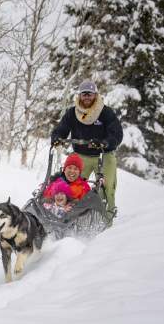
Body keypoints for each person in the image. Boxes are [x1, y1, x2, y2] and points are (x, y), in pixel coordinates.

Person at [51, 79, 123, 226]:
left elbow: (116, 133)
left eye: (90, 94)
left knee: (107, 185)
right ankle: (71, 218)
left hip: (104, 154)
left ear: (95, 95)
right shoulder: (73, 113)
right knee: (72, 185)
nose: (87, 97)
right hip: (81, 156)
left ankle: (107, 220)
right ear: (79, 96)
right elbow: (61, 128)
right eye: (84, 94)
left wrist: (105, 142)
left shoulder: (105, 112)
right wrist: (57, 138)